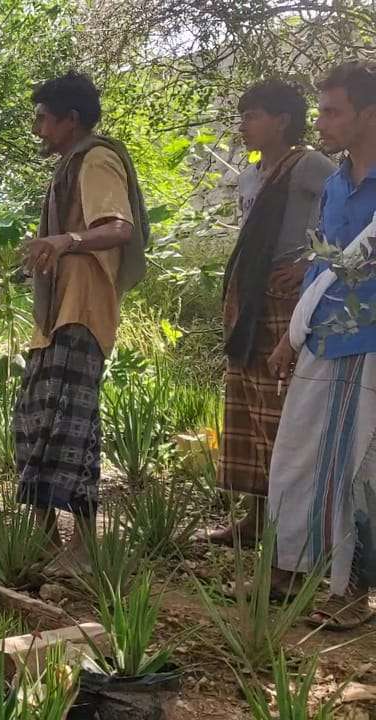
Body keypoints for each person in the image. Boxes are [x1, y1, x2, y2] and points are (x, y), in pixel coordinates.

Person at [15, 72, 149, 572]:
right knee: (34, 423)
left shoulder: (96, 159)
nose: (38, 130)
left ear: (71, 119)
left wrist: (65, 241)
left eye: (43, 119)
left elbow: (118, 227)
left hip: (82, 312)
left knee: (71, 430)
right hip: (57, 314)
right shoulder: (70, 164)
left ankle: (85, 547)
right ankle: (46, 537)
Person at [266, 61, 376, 631]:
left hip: (370, 341)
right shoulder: (335, 184)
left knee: (359, 467)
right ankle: (294, 568)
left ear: (369, 114)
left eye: (333, 111)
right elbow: (324, 264)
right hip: (324, 337)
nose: (322, 122)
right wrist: (293, 336)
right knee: (298, 454)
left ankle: (352, 589)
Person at [203, 80, 336, 547]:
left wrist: (308, 264)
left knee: (281, 407)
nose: (243, 125)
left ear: (282, 121)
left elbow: (345, 220)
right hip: (249, 303)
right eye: (243, 116)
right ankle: (254, 518)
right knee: (247, 406)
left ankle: (290, 530)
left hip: (286, 302)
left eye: (253, 116)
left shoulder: (310, 165)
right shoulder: (250, 176)